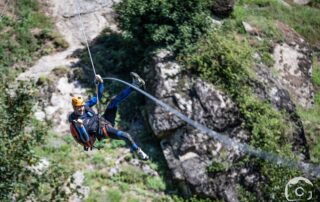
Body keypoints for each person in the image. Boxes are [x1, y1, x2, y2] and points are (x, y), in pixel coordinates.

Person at [68, 72, 149, 160]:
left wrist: (100, 83)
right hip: (103, 130)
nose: (81, 109)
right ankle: (138, 152)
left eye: (82, 106)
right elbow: (86, 139)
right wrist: (80, 127)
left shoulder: (86, 106)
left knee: (114, 101)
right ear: (74, 107)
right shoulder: (75, 121)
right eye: (78, 107)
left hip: (104, 119)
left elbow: (98, 96)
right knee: (126, 136)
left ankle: (135, 85)